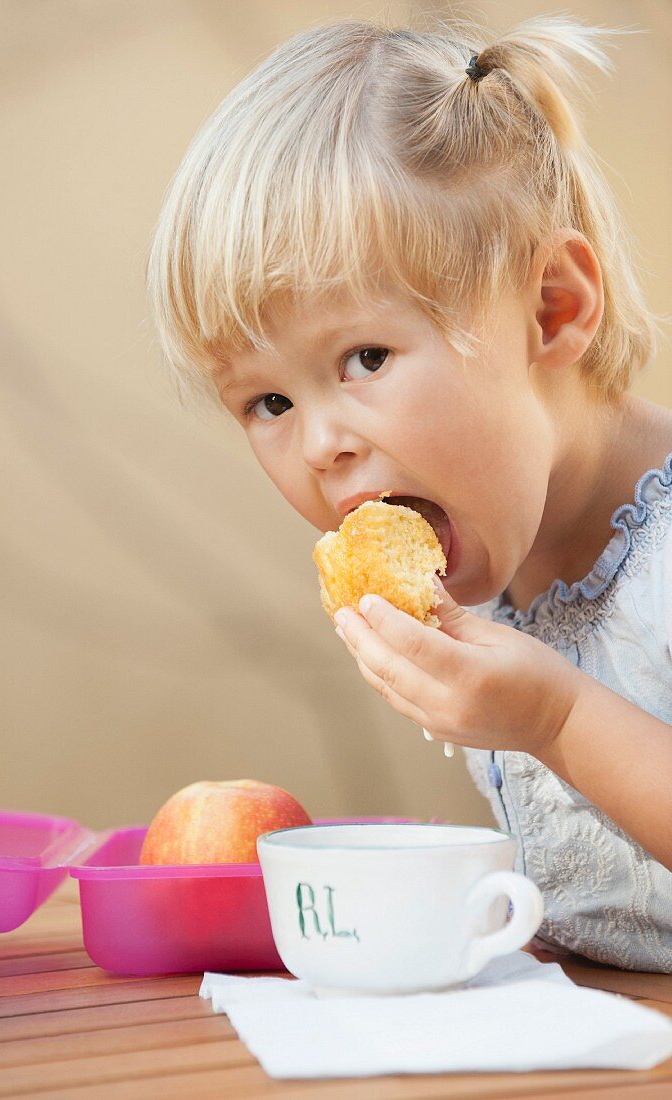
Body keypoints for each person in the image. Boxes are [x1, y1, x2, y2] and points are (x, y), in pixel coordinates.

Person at [146, 15, 672, 971]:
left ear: (552, 306)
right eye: (268, 400)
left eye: (365, 357)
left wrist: (559, 723)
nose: (322, 445)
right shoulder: (493, 550)